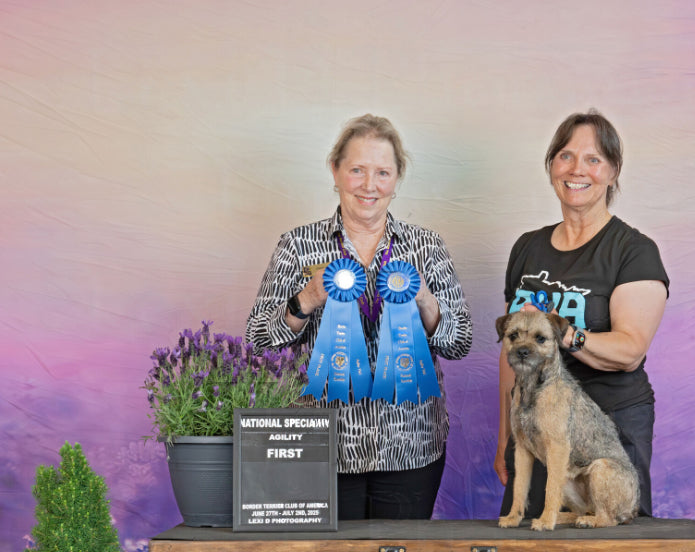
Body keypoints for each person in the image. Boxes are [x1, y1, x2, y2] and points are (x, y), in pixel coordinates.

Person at [246, 114, 472, 521]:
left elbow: (459, 342)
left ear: (397, 179)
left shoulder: (426, 245)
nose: (370, 185)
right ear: (335, 172)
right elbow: (259, 337)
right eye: (357, 170)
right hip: (320, 446)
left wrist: (423, 298)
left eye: (383, 172)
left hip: (410, 444)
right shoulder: (298, 244)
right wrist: (307, 299)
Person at [495, 109, 669, 518]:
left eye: (593, 159)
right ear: (552, 165)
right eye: (566, 156)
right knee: (528, 551)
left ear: (613, 172)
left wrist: (564, 333)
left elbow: (630, 351)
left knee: (607, 550)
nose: (577, 169)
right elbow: (511, 350)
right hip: (535, 421)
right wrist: (506, 433)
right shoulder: (527, 247)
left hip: (609, 423)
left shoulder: (633, 251)